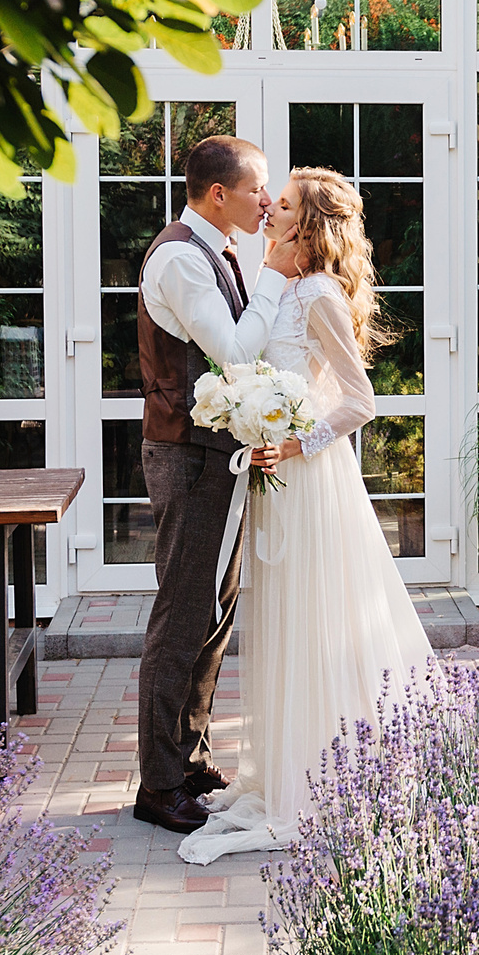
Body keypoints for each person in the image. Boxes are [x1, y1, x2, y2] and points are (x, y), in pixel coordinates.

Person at [178, 166, 435, 864]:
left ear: (308, 224)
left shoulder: (317, 291)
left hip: (316, 480)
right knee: (287, 622)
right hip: (281, 475)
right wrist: (259, 429)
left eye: (282, 203)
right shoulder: (285, 287)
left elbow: (359, 400)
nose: (268, 207)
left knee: (316, 621)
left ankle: (318, 781)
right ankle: (289, 766)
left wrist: (297, 439)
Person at [132, 135, 282, 835]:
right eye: (258, 189)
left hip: (213, 456)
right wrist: (278, 273)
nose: (268, 200)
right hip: (186, 458)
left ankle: (189, 759)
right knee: (181, 616)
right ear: (217, 193)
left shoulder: (217, 250)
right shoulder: (180, 258)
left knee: (214, 614)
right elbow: (231, 351)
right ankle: (157, 786)